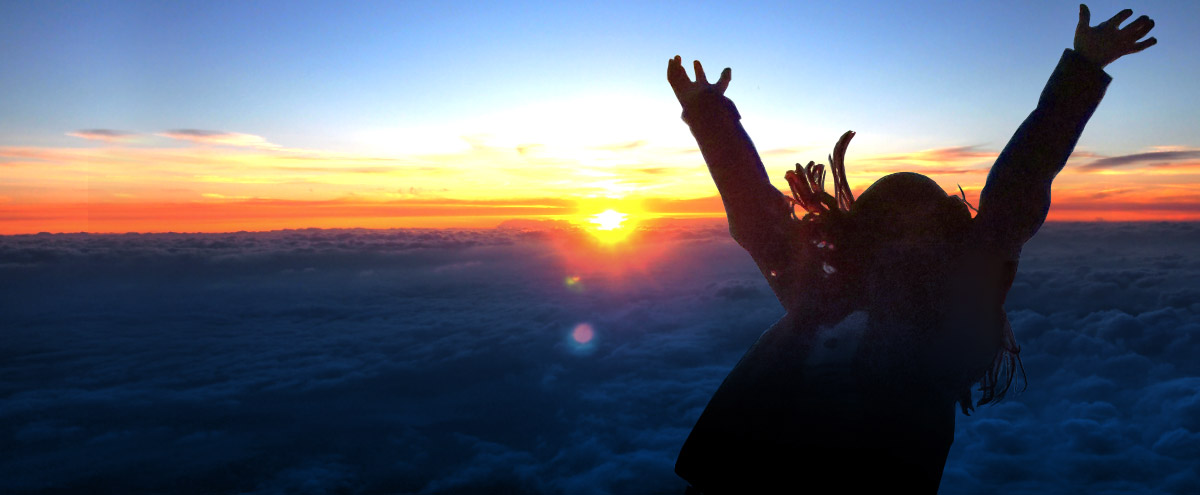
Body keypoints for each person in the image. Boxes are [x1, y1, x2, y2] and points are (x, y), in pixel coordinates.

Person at [667, 5, 1156, 493]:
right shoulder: (824, 291)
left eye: (920, 222)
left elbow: (1018, 186)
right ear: (863, 234)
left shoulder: (962, 297)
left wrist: (1083, 70)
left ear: (951, 234)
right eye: (889, 222)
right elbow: (761, 220)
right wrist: (709, 115)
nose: (904, 241)